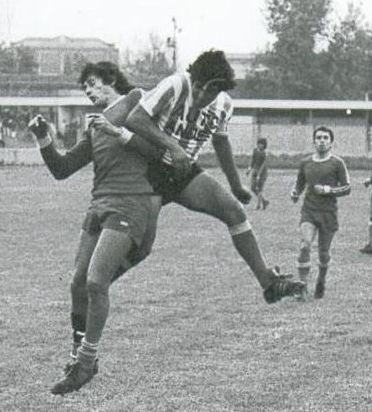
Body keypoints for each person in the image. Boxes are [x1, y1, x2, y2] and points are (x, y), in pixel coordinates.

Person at [125, 49, 304, 304]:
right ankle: (97, 282)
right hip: (148, 169)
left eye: (209, 91)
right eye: (198, 87)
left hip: (183, 173)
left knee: (234, 211)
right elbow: (135, 118)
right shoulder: (176, 84)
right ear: (192, 79)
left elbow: (221, 142)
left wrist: (236, 185)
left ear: (220, 90)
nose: (200, 95)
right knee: (142, 246)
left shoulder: (224, 105)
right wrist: (173, 147)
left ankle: (268, 283)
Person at [30, 62, 163, 395]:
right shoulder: (94, 125)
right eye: (84, 88)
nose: (88, 92)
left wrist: (119, 131)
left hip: (129, 204)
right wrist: (44, 138)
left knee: (95, 280)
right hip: (98, 206)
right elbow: (62, 169)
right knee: (77, 283)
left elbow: (158, 151)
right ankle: (78, 354)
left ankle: (86, 363)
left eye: (92, 84)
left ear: (111, 80)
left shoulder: (136, 100)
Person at [290, 126, 351, 300]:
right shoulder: (305, 162)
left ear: (331, 142)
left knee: (323, 253)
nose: (322, 141)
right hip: (309, 211)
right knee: (305, 245)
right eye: (318, 138)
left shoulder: (337, 163)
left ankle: (321, 281)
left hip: (328, 213)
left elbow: (347, 188)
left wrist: (328, 190)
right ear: (314, 141)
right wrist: (295, 193)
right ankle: (302, 287)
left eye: (325, 138)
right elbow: (299, 184)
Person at [246, 137, 270, 210]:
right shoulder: (255, 151)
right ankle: (264, 201)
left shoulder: (265, 153)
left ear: (264, 145)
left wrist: (259, 175)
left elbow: (263, 165)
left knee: (260, 188)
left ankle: (259, 205)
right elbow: (252, 160)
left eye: (261, 144)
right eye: (259, 143)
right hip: (255, 171)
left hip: (262, 173)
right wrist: (249, 169)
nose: (260, 145)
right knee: (253, 187)